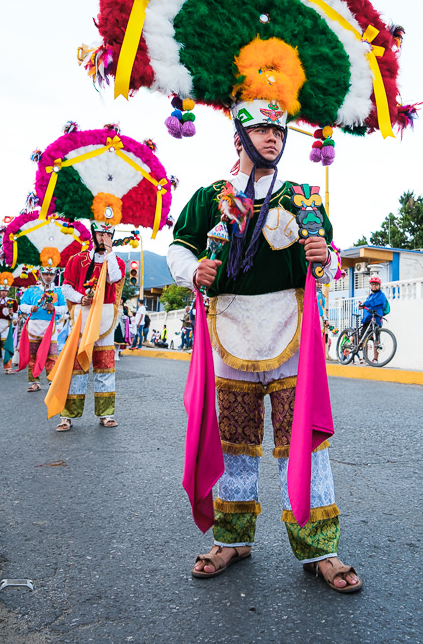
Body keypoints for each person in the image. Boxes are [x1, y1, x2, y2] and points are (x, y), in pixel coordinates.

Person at [168, 106, 361, 593]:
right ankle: (232, 538)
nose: (271, 138)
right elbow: (179, 246)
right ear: (238, 138)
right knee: (234, 440)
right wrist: (192, 272)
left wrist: (326, 258)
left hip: (291, 331)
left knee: (304, 443)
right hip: (229, 329)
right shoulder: (210, 197)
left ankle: (322, 548)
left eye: (278, 130)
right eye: (259, 129)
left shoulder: (303, 198)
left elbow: (331, 258)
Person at [56, 222, 125, 430]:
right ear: (93, 235)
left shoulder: (117, 261)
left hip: (104, 321)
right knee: (76, 368)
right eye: (100, 233)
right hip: (82, 319)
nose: (104, 237)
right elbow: (66, 287)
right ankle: (67, 415)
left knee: (105, 367)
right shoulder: (77, 260)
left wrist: (110, 253)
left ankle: (106, 413)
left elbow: (115, 278)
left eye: (108, 234)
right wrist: (80, 298)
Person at [19, 265, 67, 391]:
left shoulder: (58, 292)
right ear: (41, 274)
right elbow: (22, 305)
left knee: (51, 356)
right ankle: (35, 382)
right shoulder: (31, 291)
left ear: (55, 275)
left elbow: (65, 308)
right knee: (32, 356)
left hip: (50, 328)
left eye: (51, 274)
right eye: (46, 274)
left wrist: (54, 309)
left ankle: (52, 382)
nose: (48, 277)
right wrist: (30, 308)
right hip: (34, 327)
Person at [359, 276, 389, 364]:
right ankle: (364, 357)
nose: (374, 287)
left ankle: (375, 359)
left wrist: (364, 304)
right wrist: (363, 305)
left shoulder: (381, 295)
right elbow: (367, 305)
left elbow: (373, 303)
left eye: (376, 285)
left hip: (376, 318)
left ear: (379, 286)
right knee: (364, 338)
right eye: (372, 285)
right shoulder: (370, 295)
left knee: (376, 340)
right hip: (368, 319)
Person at [0, 284, 18, 374]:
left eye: (6, 291)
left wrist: (11, 313)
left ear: (8, 292)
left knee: (6, 347)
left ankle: (8, 367)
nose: (4, 293)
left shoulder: (12, 302)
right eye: (2, 291)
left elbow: (15, 315)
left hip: (6, 326)